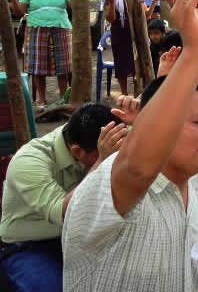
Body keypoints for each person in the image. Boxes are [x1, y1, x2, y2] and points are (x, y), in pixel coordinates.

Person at [61, 0, 198, 291]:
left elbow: (188, 253)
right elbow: (138, 167)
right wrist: (196, 50)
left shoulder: (194, 185)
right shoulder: (114, 182)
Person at [0, 103, 125, 291]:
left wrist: (138, 119)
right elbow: (64, 211)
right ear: (77, 152)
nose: (114, 159)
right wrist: (101, 163)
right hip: (29, 246)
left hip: (79, 237)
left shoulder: (90, 140)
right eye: (105, 156)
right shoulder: (28, 160)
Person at [3, 0, 72, 108]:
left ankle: (63, 98)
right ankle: (41, 100)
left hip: (60, 29)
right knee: (38, 68)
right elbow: (19, 12)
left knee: (62, 67)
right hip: (36, 30)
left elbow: (74, 6)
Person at [104, 0, 138, 95]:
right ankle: (124, 94)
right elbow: (111, 19)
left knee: (136, 65)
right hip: (119, 34)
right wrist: (112, 2)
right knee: (120, 65)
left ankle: (137, 94)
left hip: (135, 34)